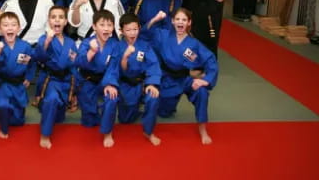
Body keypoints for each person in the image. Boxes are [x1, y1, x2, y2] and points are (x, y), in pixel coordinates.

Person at [147, 9, 218, 145]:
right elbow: (145, 34)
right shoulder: (163, 35)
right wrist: (155, 19)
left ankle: (203, 129)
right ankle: (167, 105)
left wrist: (205, 80)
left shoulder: (194, 44)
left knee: (201, 92)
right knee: (164, 112)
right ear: (172, 21)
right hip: (167, 79)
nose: (180, 22)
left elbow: (211, 60)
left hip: (185, 80)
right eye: (178, 19)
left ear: (189, 22)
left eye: (184, 20)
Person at [34, 6, 78, 149]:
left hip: (67, 81)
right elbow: (39, 57)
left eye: (60, 17)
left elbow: (74, 65)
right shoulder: (44, 38)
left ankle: (56, 111)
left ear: (66, 21)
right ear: (49, 21)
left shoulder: (71, 42)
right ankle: (45, 135)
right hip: (51, 79)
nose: (57, 20)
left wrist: (75, 90)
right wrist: (47, 40)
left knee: (59, 117)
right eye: (53, 17)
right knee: (52, 100)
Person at [75, 10, 119, 148]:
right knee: (89, 121)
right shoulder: (87, 43)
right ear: (94, 26)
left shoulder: (114, 45)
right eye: (102, 25)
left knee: (112, 98)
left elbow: (113, 67)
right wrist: (91, 52)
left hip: (105, 79)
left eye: (109, 25)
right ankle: (94, 113)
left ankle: (107, 132)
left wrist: (110, 84)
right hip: (87, 79)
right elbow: (79, 63)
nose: (106, 28)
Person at [117, 13, 162, 146]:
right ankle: (135, 109)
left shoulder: (144, 45)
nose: (132, 33)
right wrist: (125, 57)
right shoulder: (116, 46)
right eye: (128, 30)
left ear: (139, 28)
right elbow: (115, 69)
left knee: (153, 97)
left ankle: (148, 132)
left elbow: (153, 64)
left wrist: (151, 83)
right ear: (121, 31)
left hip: (142, 83)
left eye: (135, 29)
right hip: (125, 84)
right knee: (125, 120)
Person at [0, 12, 35, 139]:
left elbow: (32, 63)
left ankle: (5, 113)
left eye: (13, 25)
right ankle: (3, 129)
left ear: (19, 28)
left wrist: (29, 77)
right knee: (3, 105)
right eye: (5, 25)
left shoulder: (25, 46)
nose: (10, 28)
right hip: (3, 83)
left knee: (18, 121)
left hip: (19, 84)